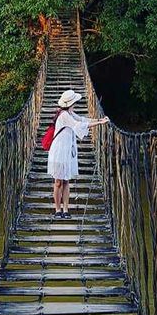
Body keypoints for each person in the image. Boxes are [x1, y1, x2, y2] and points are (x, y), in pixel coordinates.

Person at [47, 88, 109, 219]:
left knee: (66, 180)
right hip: (58, 151)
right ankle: (58, 210)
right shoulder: (63, 115)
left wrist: (99, 120)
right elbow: (78, 125)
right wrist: (99, 123)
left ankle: (66, 209)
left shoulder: (70, 113)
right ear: (71, 103)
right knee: (58, 181)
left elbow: (82, 120)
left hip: (67, 152)